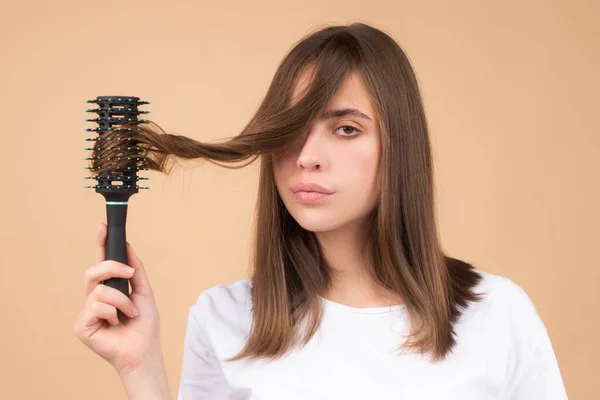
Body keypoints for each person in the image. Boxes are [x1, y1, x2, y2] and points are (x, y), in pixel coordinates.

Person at [74, 22, 568, 399]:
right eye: (291, 128)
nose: (306, 155)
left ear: (401, 145)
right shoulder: (225, 319)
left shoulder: (497, 316)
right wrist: (139, 368)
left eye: (346, 128)